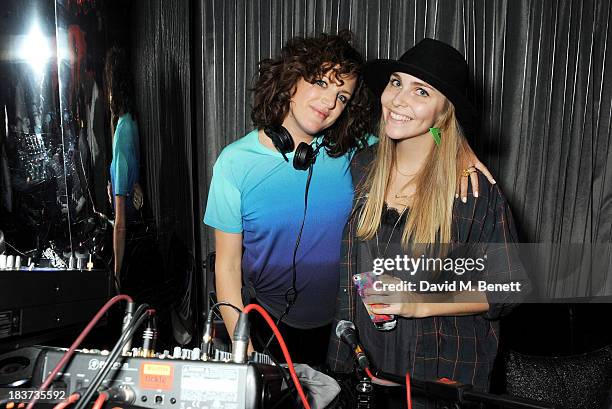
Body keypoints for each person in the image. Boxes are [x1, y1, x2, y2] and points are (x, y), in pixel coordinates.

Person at [204, 32, 494, 366]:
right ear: (290, 81)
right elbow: (226, 266)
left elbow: (417, 131)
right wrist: (245, 352)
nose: (329, 103)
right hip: (265, 324)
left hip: (342, 328)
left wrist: (460, 150)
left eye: (342, 96)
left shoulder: (355, 153)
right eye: (320, 82)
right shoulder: (234, 162)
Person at [327, 38, 529, 407]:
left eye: (421, 91)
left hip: (438, 374)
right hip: (365, 369)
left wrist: (418, 301)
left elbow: (511, 287)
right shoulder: (362, 167)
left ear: (443, 113)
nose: (399, 99)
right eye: (396, 82)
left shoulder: (472, 191)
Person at [104, 47, 142, 289]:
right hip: (135, 236)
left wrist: (116, 275)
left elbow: (119, 224)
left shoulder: (122, 133)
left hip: (129, 245)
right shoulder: (130, 120)